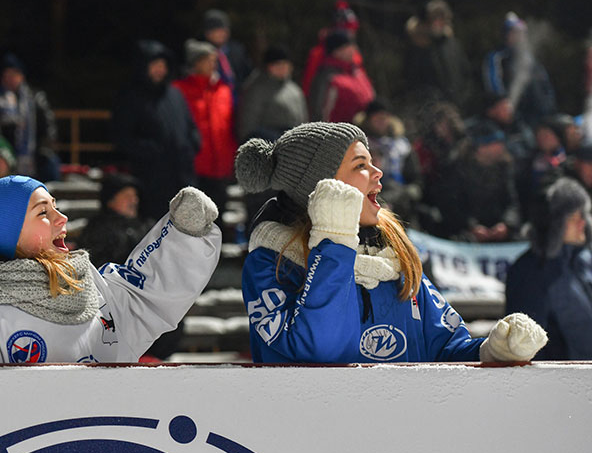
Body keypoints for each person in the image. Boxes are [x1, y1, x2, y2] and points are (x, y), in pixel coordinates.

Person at [235, 121, 547, 363]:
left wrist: (492, 352)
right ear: (322, 187)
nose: (377, 172)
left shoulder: (392, 254)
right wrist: (334, 240)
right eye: (360, 165)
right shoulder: (271, 261)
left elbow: (445, 349)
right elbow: (321, 349)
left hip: (404, 437)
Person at [0, 175, 221, 364]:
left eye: (56, 207)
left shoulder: (87, 289)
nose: (62, 218)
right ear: (4, 235)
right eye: (43, 213)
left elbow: (141, 301)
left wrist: (184, 234)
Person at [111, 39, 200, 221]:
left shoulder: (174, 94)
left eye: (163, 65)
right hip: (151, 180)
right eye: (155, 65)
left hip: (182, 177)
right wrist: (150, 151)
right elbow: (121, 136)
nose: (160, 69)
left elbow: (190, 126)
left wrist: (193, 145)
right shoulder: (130, 96)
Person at [506, 177, 592, 359]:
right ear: (554, 224)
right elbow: (527, 348)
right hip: (560, 381)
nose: (582, 223)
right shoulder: (530, 273)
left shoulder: (582, 261)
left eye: (583, 215)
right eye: (573, 218)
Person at [173, 39, 238, 219]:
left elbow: (230, 125)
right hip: (195, 165)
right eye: (208, 60)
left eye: (214, 60)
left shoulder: (223, 90)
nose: (213, 64)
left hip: (221, 166)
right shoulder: (180, 89)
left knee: (218, 216)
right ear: (196, 62)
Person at [433, 123, 521, 241]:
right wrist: (471, 226)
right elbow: (451, 204)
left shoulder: (504, 167)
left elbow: (512, 201)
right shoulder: (457, 169)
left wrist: (506, 224)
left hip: (500, 230)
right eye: (495, 143)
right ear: (481, 147)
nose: (501, 147)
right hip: (467, 233)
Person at [0, 53, 61, 182]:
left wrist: (45, 148)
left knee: (50, 163)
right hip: (9, 153)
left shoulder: (35, 97)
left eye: (14, 74)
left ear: (21, 76)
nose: (10, 79)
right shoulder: (0, 101)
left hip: (34, 154)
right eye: (6, 75)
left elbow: (48, 125)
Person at [355, 99, 423, 228]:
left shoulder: (401, 146)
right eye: (377, 118)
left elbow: (415, 178)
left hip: (401, 198)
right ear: (369, 120)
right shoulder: (361, 144)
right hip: (372, 195)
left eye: (384, 118)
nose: (382, 122)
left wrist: (411, 191)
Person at [482, 12, 557, 128]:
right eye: (514, 33)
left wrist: (549, 108)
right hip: (514, 118)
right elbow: (494, 86)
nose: (519, 37)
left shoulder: (531, 61)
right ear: (506, 35)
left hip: (538, 117)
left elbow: (545, 86)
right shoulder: (497, 58)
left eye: (521, 33)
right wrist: (504, 103)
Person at [403, 0, 472, 113]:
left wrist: (462, 99)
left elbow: (466, 73)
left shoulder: (453, 44)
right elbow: (412, 80)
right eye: (434, 19)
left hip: (458, 107)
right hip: (431, 111)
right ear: (427, 22)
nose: (438, 23)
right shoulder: (418, 47)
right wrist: (430, 103)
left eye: (441, 19)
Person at [77, 173, 154, 266]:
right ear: (110, 201)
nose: (134, 201)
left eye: (135, 196)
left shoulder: (147, 225)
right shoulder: (97, 229)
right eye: (127, 196)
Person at [238, 44, 307, 143]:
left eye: (285, 64)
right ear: (268, 67)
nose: (282, 68)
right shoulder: (256, 89)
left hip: (295, 145)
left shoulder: (294, 89)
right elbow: (247, 124)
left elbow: (303, 119)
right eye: (277, 65)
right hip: (269, 144)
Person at [307, 29, 375, 123]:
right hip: (338, 132)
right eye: (347, 47)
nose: (353, 50)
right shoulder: (328, 76)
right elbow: (320, 110)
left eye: (353, 46)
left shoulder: (357, 72)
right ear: (336, 51)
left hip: (362, 131)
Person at [301, 0, 363, 98]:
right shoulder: (319, 53)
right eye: (348, 30)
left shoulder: (355, 55)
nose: (352, 34)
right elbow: (309, 85)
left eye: (353, 30)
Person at [201, 8, 253, 106]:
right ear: (208, 33)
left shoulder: (237, 50)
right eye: (217, 30)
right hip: (215, 102)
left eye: (224, 30)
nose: (222, 34)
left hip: (238, 101)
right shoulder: (202, 54)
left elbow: (247, 74)